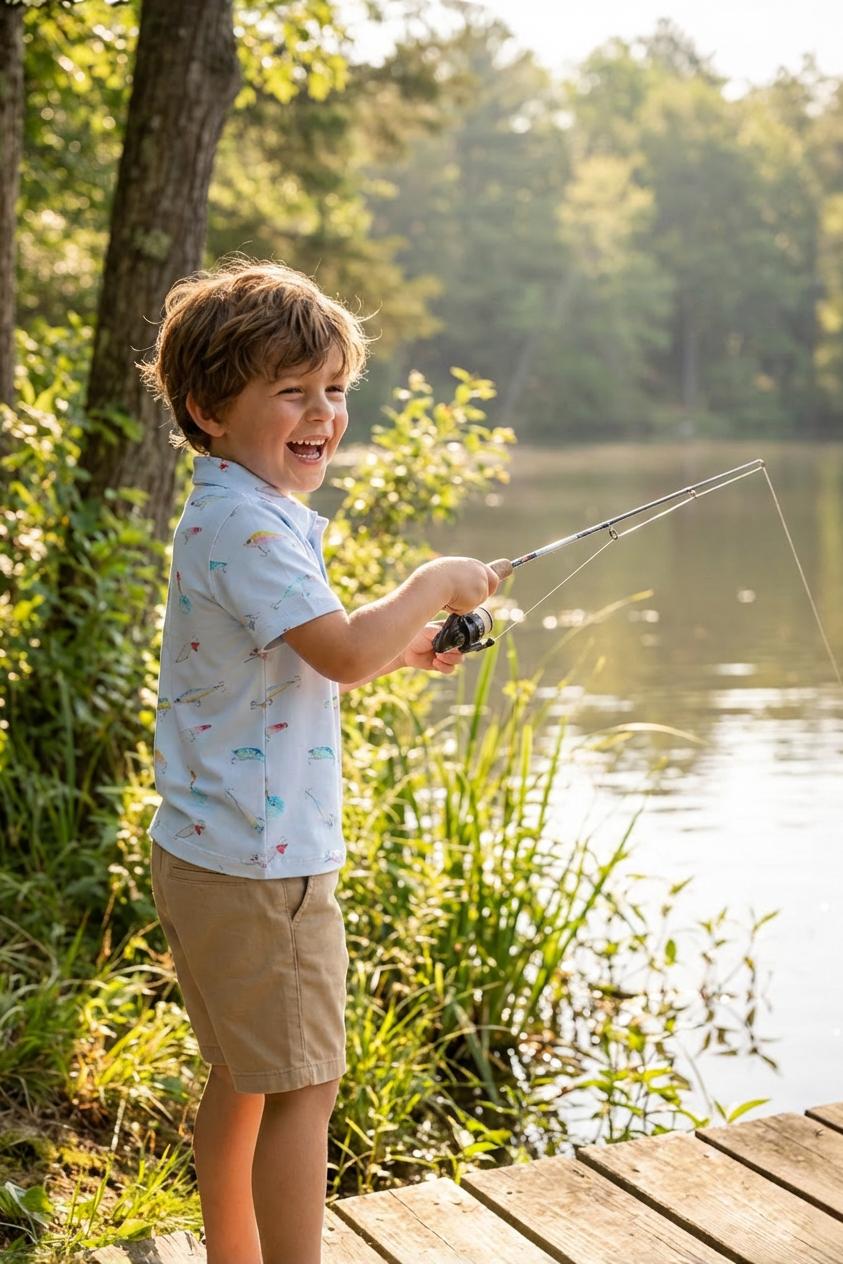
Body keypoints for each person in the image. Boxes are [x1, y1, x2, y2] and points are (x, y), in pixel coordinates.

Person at [138, 257, 500, 1264]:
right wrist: (430, 583)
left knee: (245, 1074)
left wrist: (402, 644)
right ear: (210, 410)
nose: (323, 414)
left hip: (209, 852)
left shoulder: (230, 509)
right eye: (292, 390)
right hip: (266, 868)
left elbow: (315, 654)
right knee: (304, 1085)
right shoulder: (253, 524)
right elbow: (339, 650)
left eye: (334, 389)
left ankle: (234, 1254)